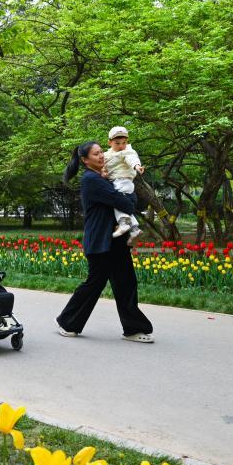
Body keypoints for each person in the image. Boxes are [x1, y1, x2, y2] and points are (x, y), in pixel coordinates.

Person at [56, 141, 154, 342]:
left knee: (126, 283)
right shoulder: (92, 179)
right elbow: (126, 202)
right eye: (95, 154)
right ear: (85, 160)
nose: (101, 156)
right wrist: (125, 198)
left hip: (115, 240)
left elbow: (129, 202)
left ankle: (133, 329)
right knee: (94, 284)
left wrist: (125, 197)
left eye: (101, 152)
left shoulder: (106, 177)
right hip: (100, 241)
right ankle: (68, 322)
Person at [104, 126, 144, 242]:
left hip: (124, 181)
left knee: (116, 201)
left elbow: (132, 159)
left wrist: (137, 166)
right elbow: (104, 165)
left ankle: (123, 223)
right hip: (119, 181)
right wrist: (104, 171)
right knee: (124, 204)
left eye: (124, 143)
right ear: (110, 142)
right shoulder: (107, 155)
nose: (121, 146)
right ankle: (134, 228)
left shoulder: (127, 151)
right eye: (117, 143)